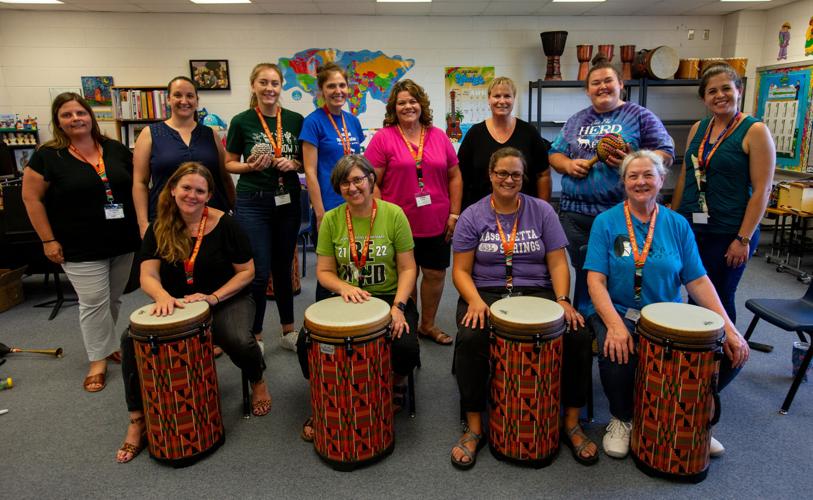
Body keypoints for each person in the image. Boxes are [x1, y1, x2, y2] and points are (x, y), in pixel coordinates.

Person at [584, 150, 750, 459]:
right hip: (618, 310)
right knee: (616, 350)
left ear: (662, 180)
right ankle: (623, 419)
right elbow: (595, 281)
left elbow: (697, 280)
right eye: (633, 176)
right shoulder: (605, 223)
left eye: (649, 175)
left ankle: (691, 417)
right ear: (623, 183)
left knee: (731, 351)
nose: (641, 182)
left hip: (668, 316)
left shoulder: (677, 224)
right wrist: (616, 325)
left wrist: (729, 327)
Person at [115, 162, 270, 463]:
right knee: (130, 340)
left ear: (209, 195)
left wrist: (212, 298)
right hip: (177, 304)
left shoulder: (226, 224)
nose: (192, 195)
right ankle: (137, 420)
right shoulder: (159, 226)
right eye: (186, 188)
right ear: (172, 189)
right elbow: (147, 275)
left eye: (200, 190)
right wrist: (162, 296)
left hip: (225, 298)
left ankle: (257, 379)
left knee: (237, 338)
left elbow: (247, 272)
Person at [450, 147, 594, 469]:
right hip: (486, 292)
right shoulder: (473, 215)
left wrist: (562, 301)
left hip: (537, 290)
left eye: (515, 174)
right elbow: (460, 271)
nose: (508, 179)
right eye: (502, 173)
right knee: (472, 338)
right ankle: (474, 426)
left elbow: (558, 263)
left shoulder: (542, 211)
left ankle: (571, 421)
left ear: (523, 177)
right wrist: (474, 300)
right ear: (490, 175)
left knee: (578, 335)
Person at [296, 155, 420, 441]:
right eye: (344, 182)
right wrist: (342, 287)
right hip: (346, 298)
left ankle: (395, 383)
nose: (352, 188)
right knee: (307, 343)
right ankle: (325, 394)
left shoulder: (393, 214)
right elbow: (324, 271)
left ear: (370, 180)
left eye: (357, 179)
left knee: (405, 346)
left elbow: (408, 267)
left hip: (389, 296)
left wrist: (399, 307)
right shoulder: (331, 219)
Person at [22, 92, 140, 393]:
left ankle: (109, 344)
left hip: (122, 240)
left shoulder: (114, 149)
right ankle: (97, 361)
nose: (75, 119)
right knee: (92, 302)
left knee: (112, 298)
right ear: (58, 121)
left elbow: (135, 186)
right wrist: (48, 240)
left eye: (80, 113)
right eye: (67, 115)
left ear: (90, 116)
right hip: (78, 244)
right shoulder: (48, 156)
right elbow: (31, 198)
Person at [548, 54, 674, 309]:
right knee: (585, 271)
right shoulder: (577, 120)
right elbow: (555, 154)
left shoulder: (640, 116)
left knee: (620, 269)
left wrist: (633, 161)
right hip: (577, 215)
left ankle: (617, 322)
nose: (602, 86)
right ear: (587, 90)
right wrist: (569, 165)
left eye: (608, 80)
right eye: (595, 83)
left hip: (620, 216)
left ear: (621, 85)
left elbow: (666, 153)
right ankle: (587, 324)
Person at [672, 63, 775, 324]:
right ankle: (697, 354)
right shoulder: (698, 128)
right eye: (712, 91)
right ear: (704, 98)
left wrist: (743, 239)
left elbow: (763, 190)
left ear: (738, 90)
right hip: (694, 227)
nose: (720, 96)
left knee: (720, 295)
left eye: (726, 88)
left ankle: (725, 358)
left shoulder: (755, 131)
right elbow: (685, 176)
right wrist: (672, 220)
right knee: (695, 292)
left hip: (731, 230)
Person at [365, 79, 462, 345]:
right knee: (407, 275)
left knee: (434, 273)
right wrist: (382, 218)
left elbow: (455, 175)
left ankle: (427, 325)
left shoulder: (438, 136)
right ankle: (408, 324)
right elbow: (372, 183)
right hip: (398, 224)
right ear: (393, 108)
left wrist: (454, 214)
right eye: (402, 102)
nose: (408, 106)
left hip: (437, 221)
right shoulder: (383, 138)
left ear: (421, 104)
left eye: (412, 101)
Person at [225, 63, 305, 353]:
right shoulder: (242, 120)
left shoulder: (296, 120)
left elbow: (306, 160)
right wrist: (248, 166)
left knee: (283, 268)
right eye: (263, 82)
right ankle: (256, 335)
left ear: (281, 87)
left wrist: (294, 164)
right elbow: (229, 162)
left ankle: (288, 331)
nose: (269, 88)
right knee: (258, 273)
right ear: (253, 85)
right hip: (253, 201)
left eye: (274, 83)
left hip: (288, 200)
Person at [133, 76, 234, 238]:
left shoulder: (210, 134)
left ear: (197, 100)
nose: (184, 100)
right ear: (168, 99)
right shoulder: (150, 134)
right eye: (178, 95)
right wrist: (143, 223)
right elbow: (140, 183)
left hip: (210, 220)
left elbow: (225, 177)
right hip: (166, 220)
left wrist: (233, 210)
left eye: (190, 96)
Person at [457, 76, 552, 209]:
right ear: (489, 99)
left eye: (507, 96)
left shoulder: (529, 132)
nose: (502, 101)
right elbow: (460, 176)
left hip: (523, 212)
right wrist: (457, 213)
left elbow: (543, 174)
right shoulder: (475, 134)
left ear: (514, 99)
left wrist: (543, 210)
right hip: (481, 213)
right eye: (497, 96)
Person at [300, 63, 364, 234]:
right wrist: (320, 213)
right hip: (329, 205)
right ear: (321, 90)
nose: (338, 91)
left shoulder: (353, 121)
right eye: (331, 86)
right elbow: (310, 171)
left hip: (355, 201)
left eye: (342, 85)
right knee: (331, 260)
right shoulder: (313, 122)